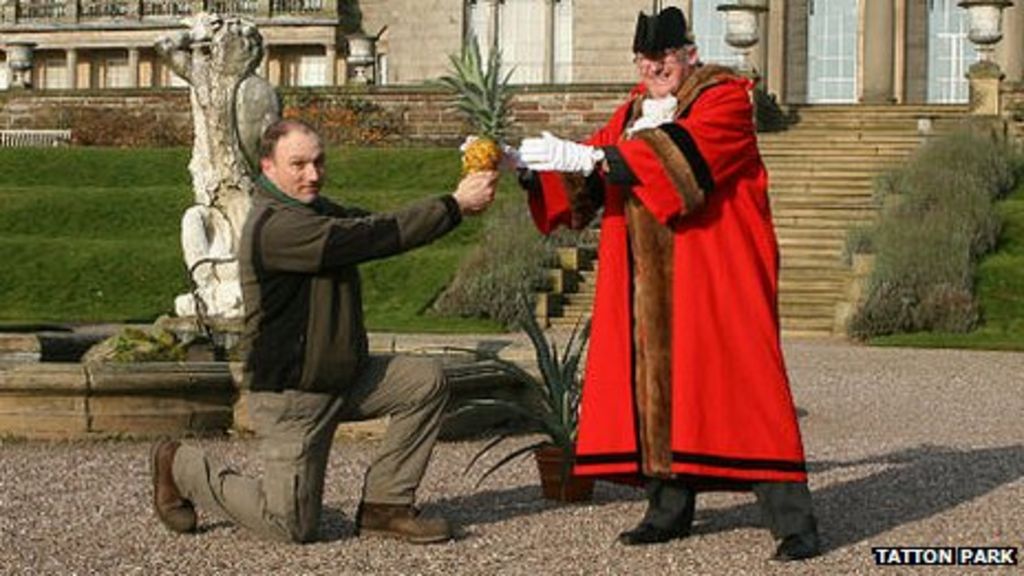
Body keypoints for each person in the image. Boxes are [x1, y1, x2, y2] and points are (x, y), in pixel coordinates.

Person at [516, 7, 821, 561]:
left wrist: (589, 155)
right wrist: (534, 168)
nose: (654, 66)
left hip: (717, 274)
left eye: (665, 56)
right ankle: (668, 510)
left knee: (747, 383)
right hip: (644, 279)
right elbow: (595, 165)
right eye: (646, 58)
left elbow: (683, 154)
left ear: (689, 55)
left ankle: (794, 521)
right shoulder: (633, 109)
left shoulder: (725, 97)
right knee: (656, 385)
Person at [151, 119, 498, 544]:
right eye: (298, 164)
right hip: (294, 396)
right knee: (291, 526)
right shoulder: (278, 226)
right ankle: (179, 465)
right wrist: (455, 205)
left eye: (318, 162)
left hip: (346, 380)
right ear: (268, 167)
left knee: (424, 381)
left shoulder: (314, 209)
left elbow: (381, 225)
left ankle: (385, 508)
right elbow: (369, 238)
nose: (312, 174)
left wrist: (454, 200)